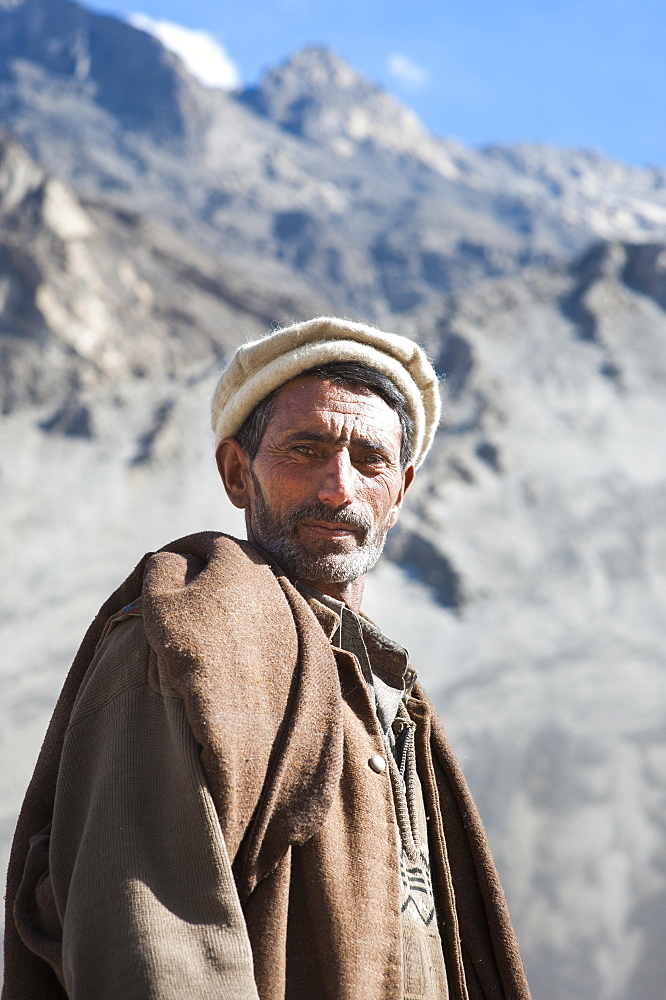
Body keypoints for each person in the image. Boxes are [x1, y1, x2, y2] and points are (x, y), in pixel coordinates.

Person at [3, 317, 531, 1000]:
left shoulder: (392, 698)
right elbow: (154, 953)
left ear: (398, 494)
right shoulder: (184, 647)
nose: (338, 488)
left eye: (369, 461)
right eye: (305, 450)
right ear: (236, 474)